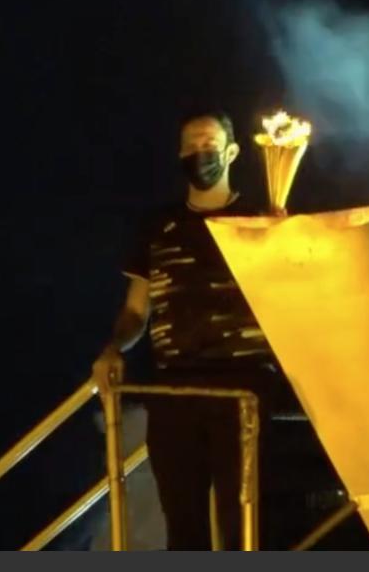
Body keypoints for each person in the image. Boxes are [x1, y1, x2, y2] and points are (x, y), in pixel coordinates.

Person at [92, 110, 297, 550]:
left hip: (243, 387)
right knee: (183, 524)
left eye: (208, 144)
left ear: (232, 152)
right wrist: (113, 348)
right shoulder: (157, 226)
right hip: (175, 388)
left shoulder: (260, 220)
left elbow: (291, 296)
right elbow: (136, 310)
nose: (199, 153)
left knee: (243, 525)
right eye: (190, 145)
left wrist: (284, 240)